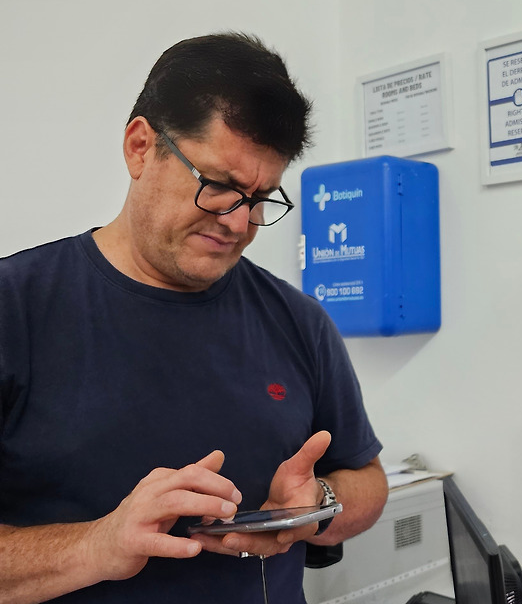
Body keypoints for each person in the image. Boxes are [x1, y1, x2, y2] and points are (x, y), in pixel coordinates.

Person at [0, 32, 389, 603]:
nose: (238, 222)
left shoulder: (298, 320)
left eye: (260, 198)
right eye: (219, 186)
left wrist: (316, 508)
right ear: (140, 147)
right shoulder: (16, 308)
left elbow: (368, 482)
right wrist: (96, 546)